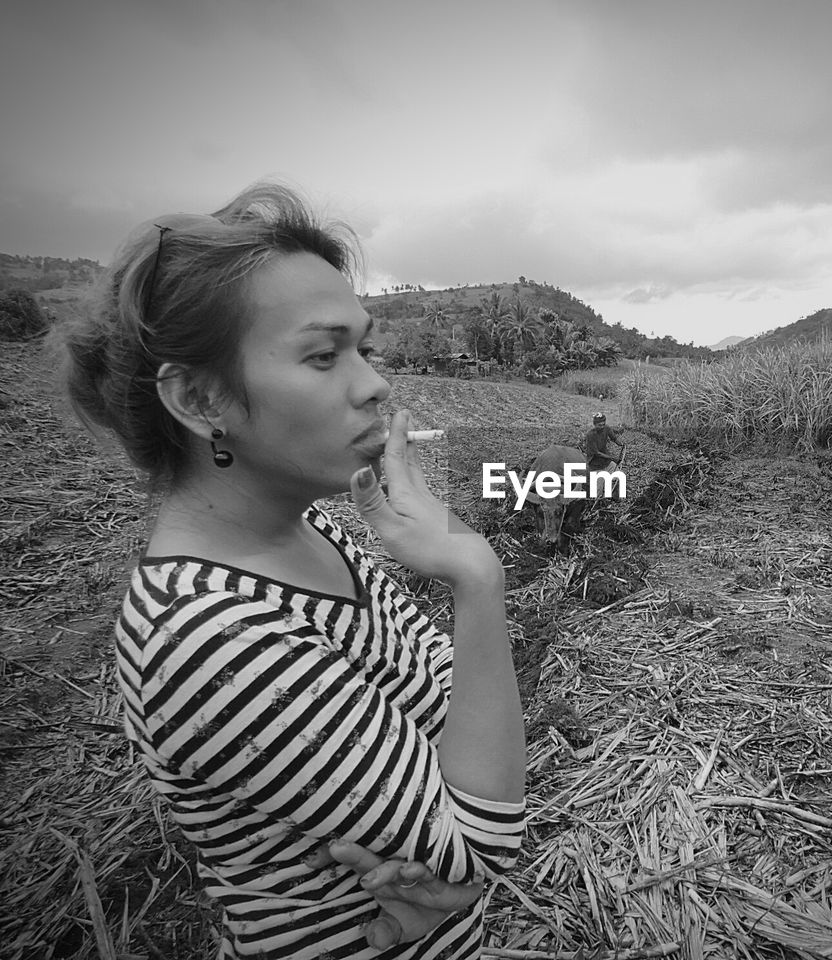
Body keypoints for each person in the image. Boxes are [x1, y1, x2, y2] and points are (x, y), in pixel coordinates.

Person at [55, 182, 526, 959]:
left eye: (363, 349)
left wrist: (457, 827)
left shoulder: (309, 535)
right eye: (321, 354)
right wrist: (477, 577)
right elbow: (480, 840)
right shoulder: (208, 637)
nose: (375, 383)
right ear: (201, 397)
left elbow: (452, 698)